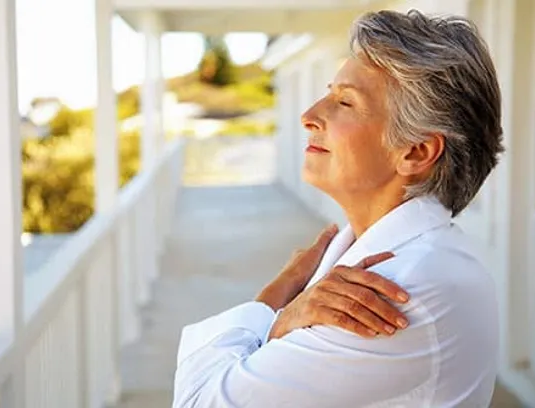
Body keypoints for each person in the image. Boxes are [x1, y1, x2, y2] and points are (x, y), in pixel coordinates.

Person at [174, 9, 503, 408]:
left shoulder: (394, 294)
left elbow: (199, 402)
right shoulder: (376, 257)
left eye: (345, 102)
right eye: (330, 93)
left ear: (416, 152)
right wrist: (286, 303)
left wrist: (274, 306)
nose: (309, 116)